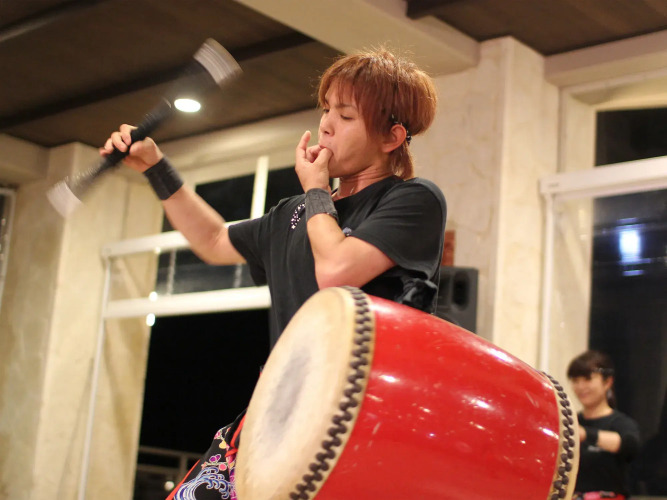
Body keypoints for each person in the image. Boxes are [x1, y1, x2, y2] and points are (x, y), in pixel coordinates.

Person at [101, 47, 446, 500]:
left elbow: (336, 270)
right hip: (278, 414)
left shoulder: (413, 200)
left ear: (391, 137)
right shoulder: (294, 212)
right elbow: (213, 240)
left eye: (345, 116)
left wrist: (317, 189)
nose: (326, 125)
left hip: (364, 422)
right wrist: (155, 167)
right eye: (326, 109)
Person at [567, 350, 640, 500]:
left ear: (607, 382)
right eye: (575, 381)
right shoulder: (572, 421)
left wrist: (586, 434)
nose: (580, 386)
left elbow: (630, 445)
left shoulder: (621, 423)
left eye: (587, 379)